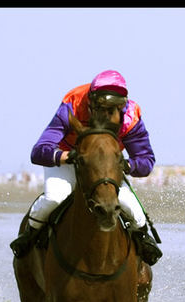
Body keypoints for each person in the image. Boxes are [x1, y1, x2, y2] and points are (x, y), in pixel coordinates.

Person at [10, 69, 162, 265]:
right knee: (54, 198)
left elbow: (146, 161)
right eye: (103, 107)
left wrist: (124, 164)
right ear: (90, 102)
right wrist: (67, 156)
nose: (109, 115)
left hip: (105, 166)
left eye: (115, 108)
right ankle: (29, 239)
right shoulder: (72, 106)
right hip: (69, 158)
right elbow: (39, 151)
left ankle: (142, 247)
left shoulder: (131, 118)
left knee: (134, 210)